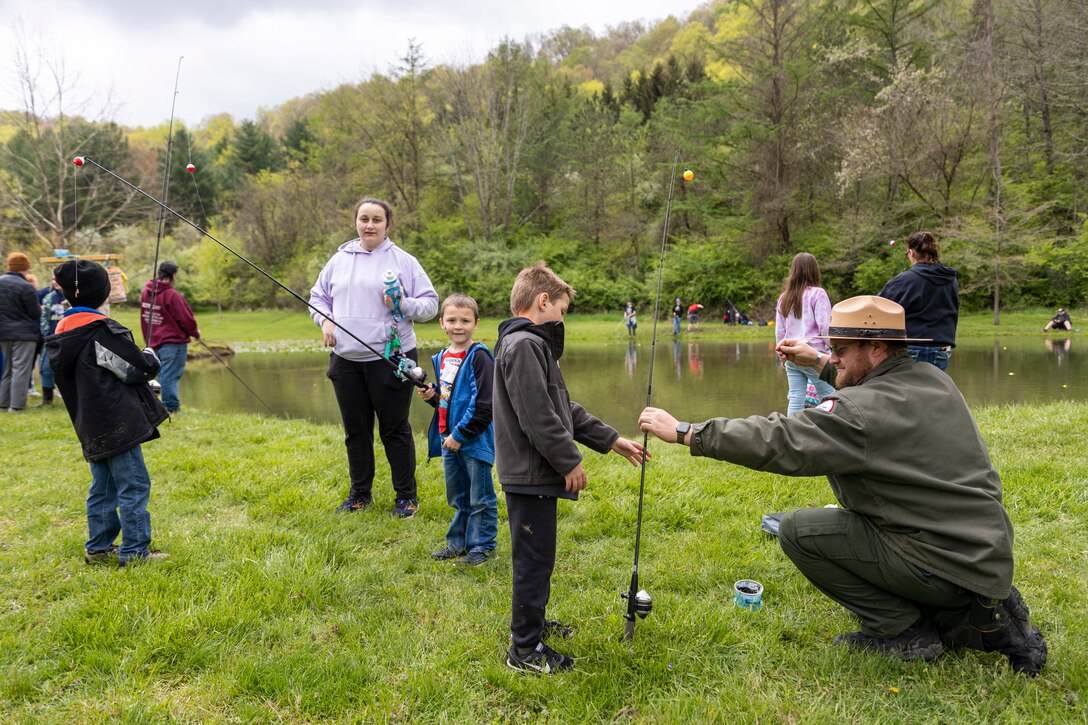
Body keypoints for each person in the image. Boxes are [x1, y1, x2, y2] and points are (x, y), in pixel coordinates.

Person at [638, 295, 1047, 676]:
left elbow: (782, 439)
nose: (834, 357)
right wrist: (817, 361)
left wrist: (689, 432)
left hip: (943, 563)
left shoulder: (858, 411)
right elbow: (867, 387)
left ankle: (904, 631)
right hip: (985, 553)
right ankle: (979, 613)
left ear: (876, 349)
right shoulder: (933, 380)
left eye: (841, 350)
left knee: (798, 531)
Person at [495, 262, 646, 674]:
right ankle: (523, 651)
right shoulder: (524, 345)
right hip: (531, 474)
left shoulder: (531, 346)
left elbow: (564, 407)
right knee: (533, 559)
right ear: (543, 302)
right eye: (562, 310)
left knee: (539, 555)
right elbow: (538, 416)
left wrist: (609, 438)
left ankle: (535, 623)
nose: (563, 319)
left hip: (533, 474)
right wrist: (568, 460)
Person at [309, 197, 438, 518]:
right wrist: (324, 320)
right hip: (345, 361)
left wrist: (403, 303)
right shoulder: (338, 260)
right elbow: (317, 298)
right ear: (356, 222)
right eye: (364, 219)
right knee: (356, 430)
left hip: (392, 359)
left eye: (376, 220)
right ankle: (359, 495)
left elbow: (430, 305)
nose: (369, 225)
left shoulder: (404, 261)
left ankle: (406, 497)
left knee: (394, 429)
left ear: (387, 225)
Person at [46, 260, 170, 568]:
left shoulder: (62, 331)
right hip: (118, 422)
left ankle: (99, 548)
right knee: (134, 485)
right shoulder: (101, 330)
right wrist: (150, 356)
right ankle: (136, 551)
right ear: (101, 294)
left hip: (89, 423)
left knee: (102, 486)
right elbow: (137, 369)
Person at [419, 293, 497, 566]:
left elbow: (485, 404)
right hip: (448, 439)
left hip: (473, 441)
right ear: (442, 323)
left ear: (476, 322)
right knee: (458, 496)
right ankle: (458, 543)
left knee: (481, 497)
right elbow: (450, 400)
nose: (458, 326)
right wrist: (434, 397)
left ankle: (482, 546)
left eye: (465, 320)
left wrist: (460, 435)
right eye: (451, 320)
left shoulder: (480, 357)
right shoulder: (442, 358)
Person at [878, 231, 958, 371]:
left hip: (912, 347)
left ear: (911, 253)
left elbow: (879, 305)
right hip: (941, 349)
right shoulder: (950, 279)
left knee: (907, 392)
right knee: (933, 392)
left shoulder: (905, 279)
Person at [775, 253, 835, 415]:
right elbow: (825, 328)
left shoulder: (784, 298)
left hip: (791, 354)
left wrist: (782, 353)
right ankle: (832, 431)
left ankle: (792, 432)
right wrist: (835, 351)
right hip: (813, 354)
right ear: (814, 271)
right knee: (830, 395)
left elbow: (780, 331)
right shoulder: (818, 293)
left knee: (796, 397)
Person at [140, 261, 200, 413]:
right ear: (173, 275)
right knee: (170, 375)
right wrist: (195, 333)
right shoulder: (172, 295)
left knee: (163, 374)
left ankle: (161, 406)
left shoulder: (146, 293)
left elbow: (144, 318)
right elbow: (186, 319)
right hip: (173, 343)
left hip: (154, 342)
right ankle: (171, 407)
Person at [0, 252, 41, 412]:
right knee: (21, 369)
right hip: (24, 333)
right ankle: (16, 406)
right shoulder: (26, 286)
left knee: (7, 369)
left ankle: (3, 404)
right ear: (25, 267)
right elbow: (34, 313)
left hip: (2, 332)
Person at [35, 275, 67, 406]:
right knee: (46, 368)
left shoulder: (72, 298)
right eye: (53, 279)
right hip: (51, 339)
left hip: (68, 339)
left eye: (58, 279)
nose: (55, 282)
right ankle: (47, 399)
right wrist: (47, 334)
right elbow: (44, 318)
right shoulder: (49, 298)